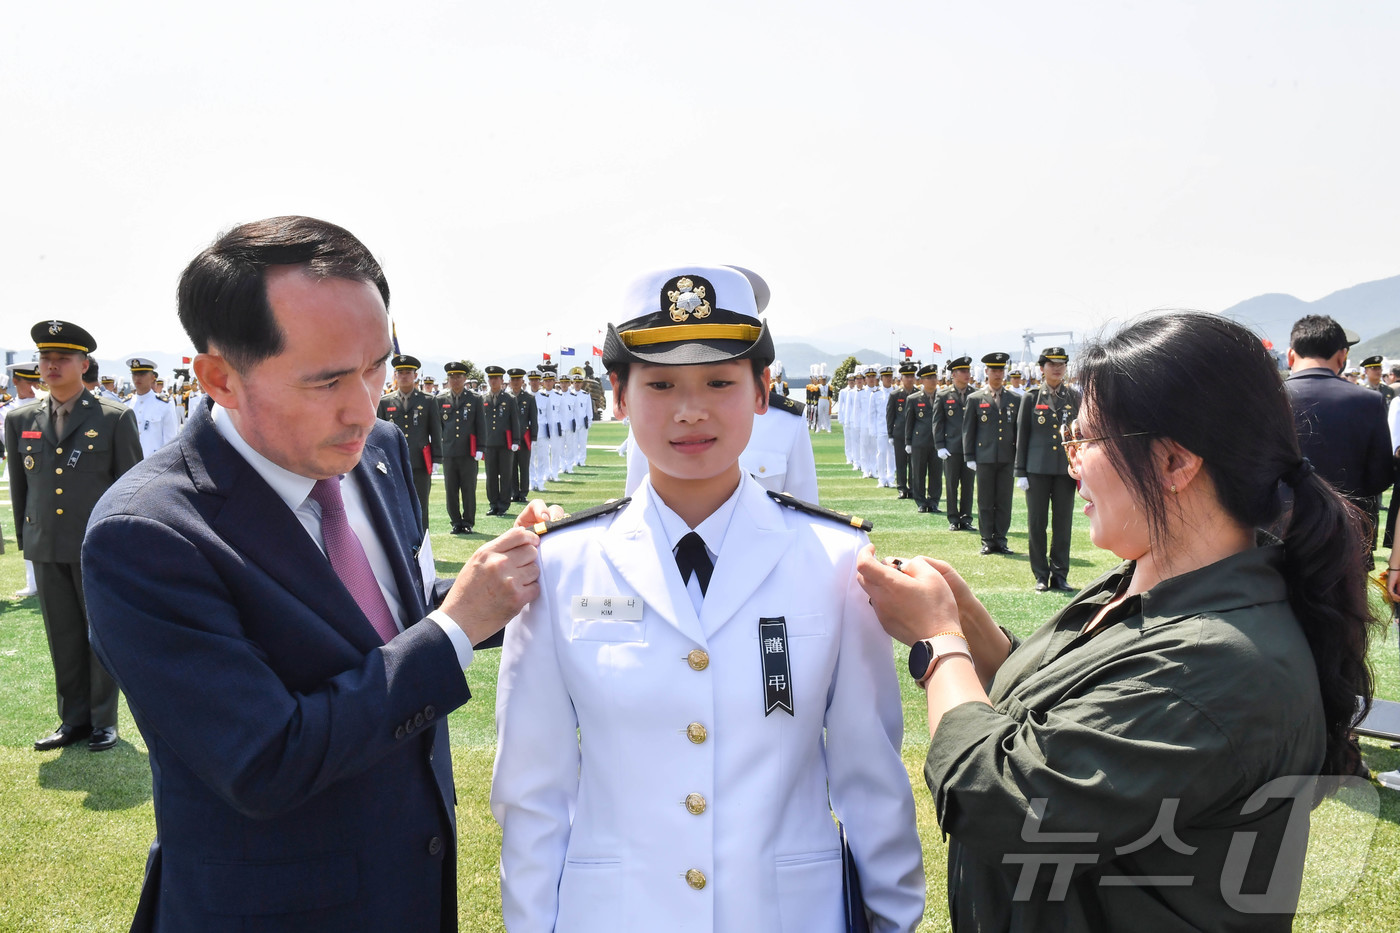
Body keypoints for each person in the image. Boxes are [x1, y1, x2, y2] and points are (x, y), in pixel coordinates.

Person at [83, 215, 545, 932]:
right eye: (327, 379)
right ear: (220, 378)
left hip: (412, 882)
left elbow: (378, 615)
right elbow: (265, 758)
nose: (364, 407)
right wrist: (457, 627)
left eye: (376, 366)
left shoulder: (378, 451)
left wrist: (506, 589)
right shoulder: (147, 533)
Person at [858, 310, 1376, 931]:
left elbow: (999, 801)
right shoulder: (1150, 582)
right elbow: (1065, 710)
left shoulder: (1219, 662)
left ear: (1174, 463)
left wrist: (939, 643)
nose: (1072, 462)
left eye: (1086, 440)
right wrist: (969, 620)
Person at [492, 264, 924, 932]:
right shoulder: (561, 566)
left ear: (762, 390)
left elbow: (869, 774)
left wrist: (893, 918)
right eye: (660, 384)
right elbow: (533, 791)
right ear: (618, 396)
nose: (690, 410)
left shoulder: (835, 561)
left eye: (720, 382)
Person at [6, 321, 142, 753]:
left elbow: (131, 488)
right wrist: (27, 538)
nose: (52, 365)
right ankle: (73, 719)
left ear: (84, 365)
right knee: (61, 636)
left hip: (96, 547)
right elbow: (21, 486)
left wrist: (127, 548)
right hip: (46, 544)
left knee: (98, 634)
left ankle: (103, 721)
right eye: (45, 358)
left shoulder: (113, 417)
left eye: (62, 358)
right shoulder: (20, 418)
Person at [1284, 315, 1392, 562]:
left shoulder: (1269, 398)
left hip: (1281, 535)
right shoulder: (1369, 401)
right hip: (1348, 534)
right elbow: (1380, 477)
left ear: (1290, 355)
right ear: (1342, 357)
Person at [1015, 347, 1080, 592]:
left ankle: (1060, 574)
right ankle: (1041, 575)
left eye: (1061, 364)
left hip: (1065, 470)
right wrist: (1020, 471)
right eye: (1052, 364)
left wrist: (1080, 466)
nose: (1057, 368)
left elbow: (1079, 434)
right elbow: (1022, 436)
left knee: (1063, 524)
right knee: (1037, 524)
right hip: (1037, 470)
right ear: (1042, 368)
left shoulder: (1073, 396)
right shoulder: (1031, 397)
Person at [376, 354, 443, 532]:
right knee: (395, 505)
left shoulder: (428, 401)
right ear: (395, 375)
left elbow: (435, 431)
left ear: (415, 376)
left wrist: (437, 458)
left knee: (421, 505)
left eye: (408, 372)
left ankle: (422, 541)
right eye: (400, 372)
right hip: (393, 462)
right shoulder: (385, 402)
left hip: (419, 462)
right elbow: (378, 435)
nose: (404, 376)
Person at [963, 352, 1020, 555]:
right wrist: (969, 456)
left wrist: (1019, 458)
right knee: (985, 501)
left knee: (1004, 501)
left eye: (1000, 370)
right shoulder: (975, 399)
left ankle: (1001, 539)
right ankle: (987, 539)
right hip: (984, 457)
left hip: (1007, 457)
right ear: (986, 371)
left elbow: (1019, 431)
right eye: (994, 370)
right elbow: (968, 430)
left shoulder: (1015, 399)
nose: (998, 374)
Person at [2, 362, 45, 597]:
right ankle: (33, 581)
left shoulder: (46, 405)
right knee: (25, 522)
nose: (34, 387)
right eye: (28, 382)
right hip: (18, 471)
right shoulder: (6, 410)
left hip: (44, 472)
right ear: (15, 382)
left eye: (36, 381)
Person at [438, 361, 486, 535]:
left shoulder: (475, 398)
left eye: (458, 376)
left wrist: (480, 448)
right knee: (450, 490)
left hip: (468, 452)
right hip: (448, 452)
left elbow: (481, 425)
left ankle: (468, 522)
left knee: (468, 489)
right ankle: (455, 522)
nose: (455, 380)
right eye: (451, 377)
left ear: (465, 378)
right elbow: (437, 428)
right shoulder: (440, 399)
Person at [933, 356, 975, 532]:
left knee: (968, 485)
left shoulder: (975, 394)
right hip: (951, 447)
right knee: (951, 484)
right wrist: (940, 445)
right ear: (954, 374)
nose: (967, 374)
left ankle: (966, 518)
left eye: (968, 371)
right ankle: (953, 518)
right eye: (963, 371)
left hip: (970, 448)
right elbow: (938, 422)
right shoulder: (943, 395)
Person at [481, 364, 521, 516]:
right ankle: (493, 504)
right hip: (489, 443)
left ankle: (503, 504)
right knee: (491, 476)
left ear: (502, 380)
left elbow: (515, 421)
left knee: (505, 475)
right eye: (491, 378)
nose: (493, 381)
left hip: (505, 443)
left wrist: (516, 440)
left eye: (496, 378)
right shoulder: (483, 399)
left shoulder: (509, 399)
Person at [905, 362, 943, 514]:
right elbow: (909, 422)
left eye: (934, 377)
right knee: (918, 473)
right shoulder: (913, 399)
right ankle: (920, 501)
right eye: (929, 378)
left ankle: (934, 501)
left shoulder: (943, 397)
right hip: (919, 441)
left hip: (937, 442)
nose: (933, 380)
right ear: (921, 381)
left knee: (936, 474)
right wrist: (908, 442)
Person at [125, 357, 181, 457]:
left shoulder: (165, 405)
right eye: (134, 374)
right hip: (130, 462)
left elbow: (170, 442)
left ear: (152, 377)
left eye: (142, 374)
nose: (137, 378)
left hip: (154, 463)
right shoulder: (126, 405)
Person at [888, 362, 917, 497]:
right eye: (907, 376)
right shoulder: (895, 395)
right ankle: (901, 487)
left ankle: (913, 487)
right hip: (900, 433)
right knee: (900, 462)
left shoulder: (918, 394)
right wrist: (890, 434)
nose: (910, 379)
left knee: (914, 462)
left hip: (915, 433)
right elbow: (890, 415)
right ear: (901, 378)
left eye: (912, 376)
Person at [508, 367, 537, 503]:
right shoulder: (506, 397)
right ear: (509, 381)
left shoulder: (529, 398)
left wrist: (534, 437)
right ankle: (514, 492)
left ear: (522, 381)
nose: (515, 382)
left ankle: (523, 492)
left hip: (524, 436)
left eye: (518, 379)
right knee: (511, 466)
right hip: (509, 437)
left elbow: (533, 419)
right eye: (513, 379)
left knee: (524, 466)